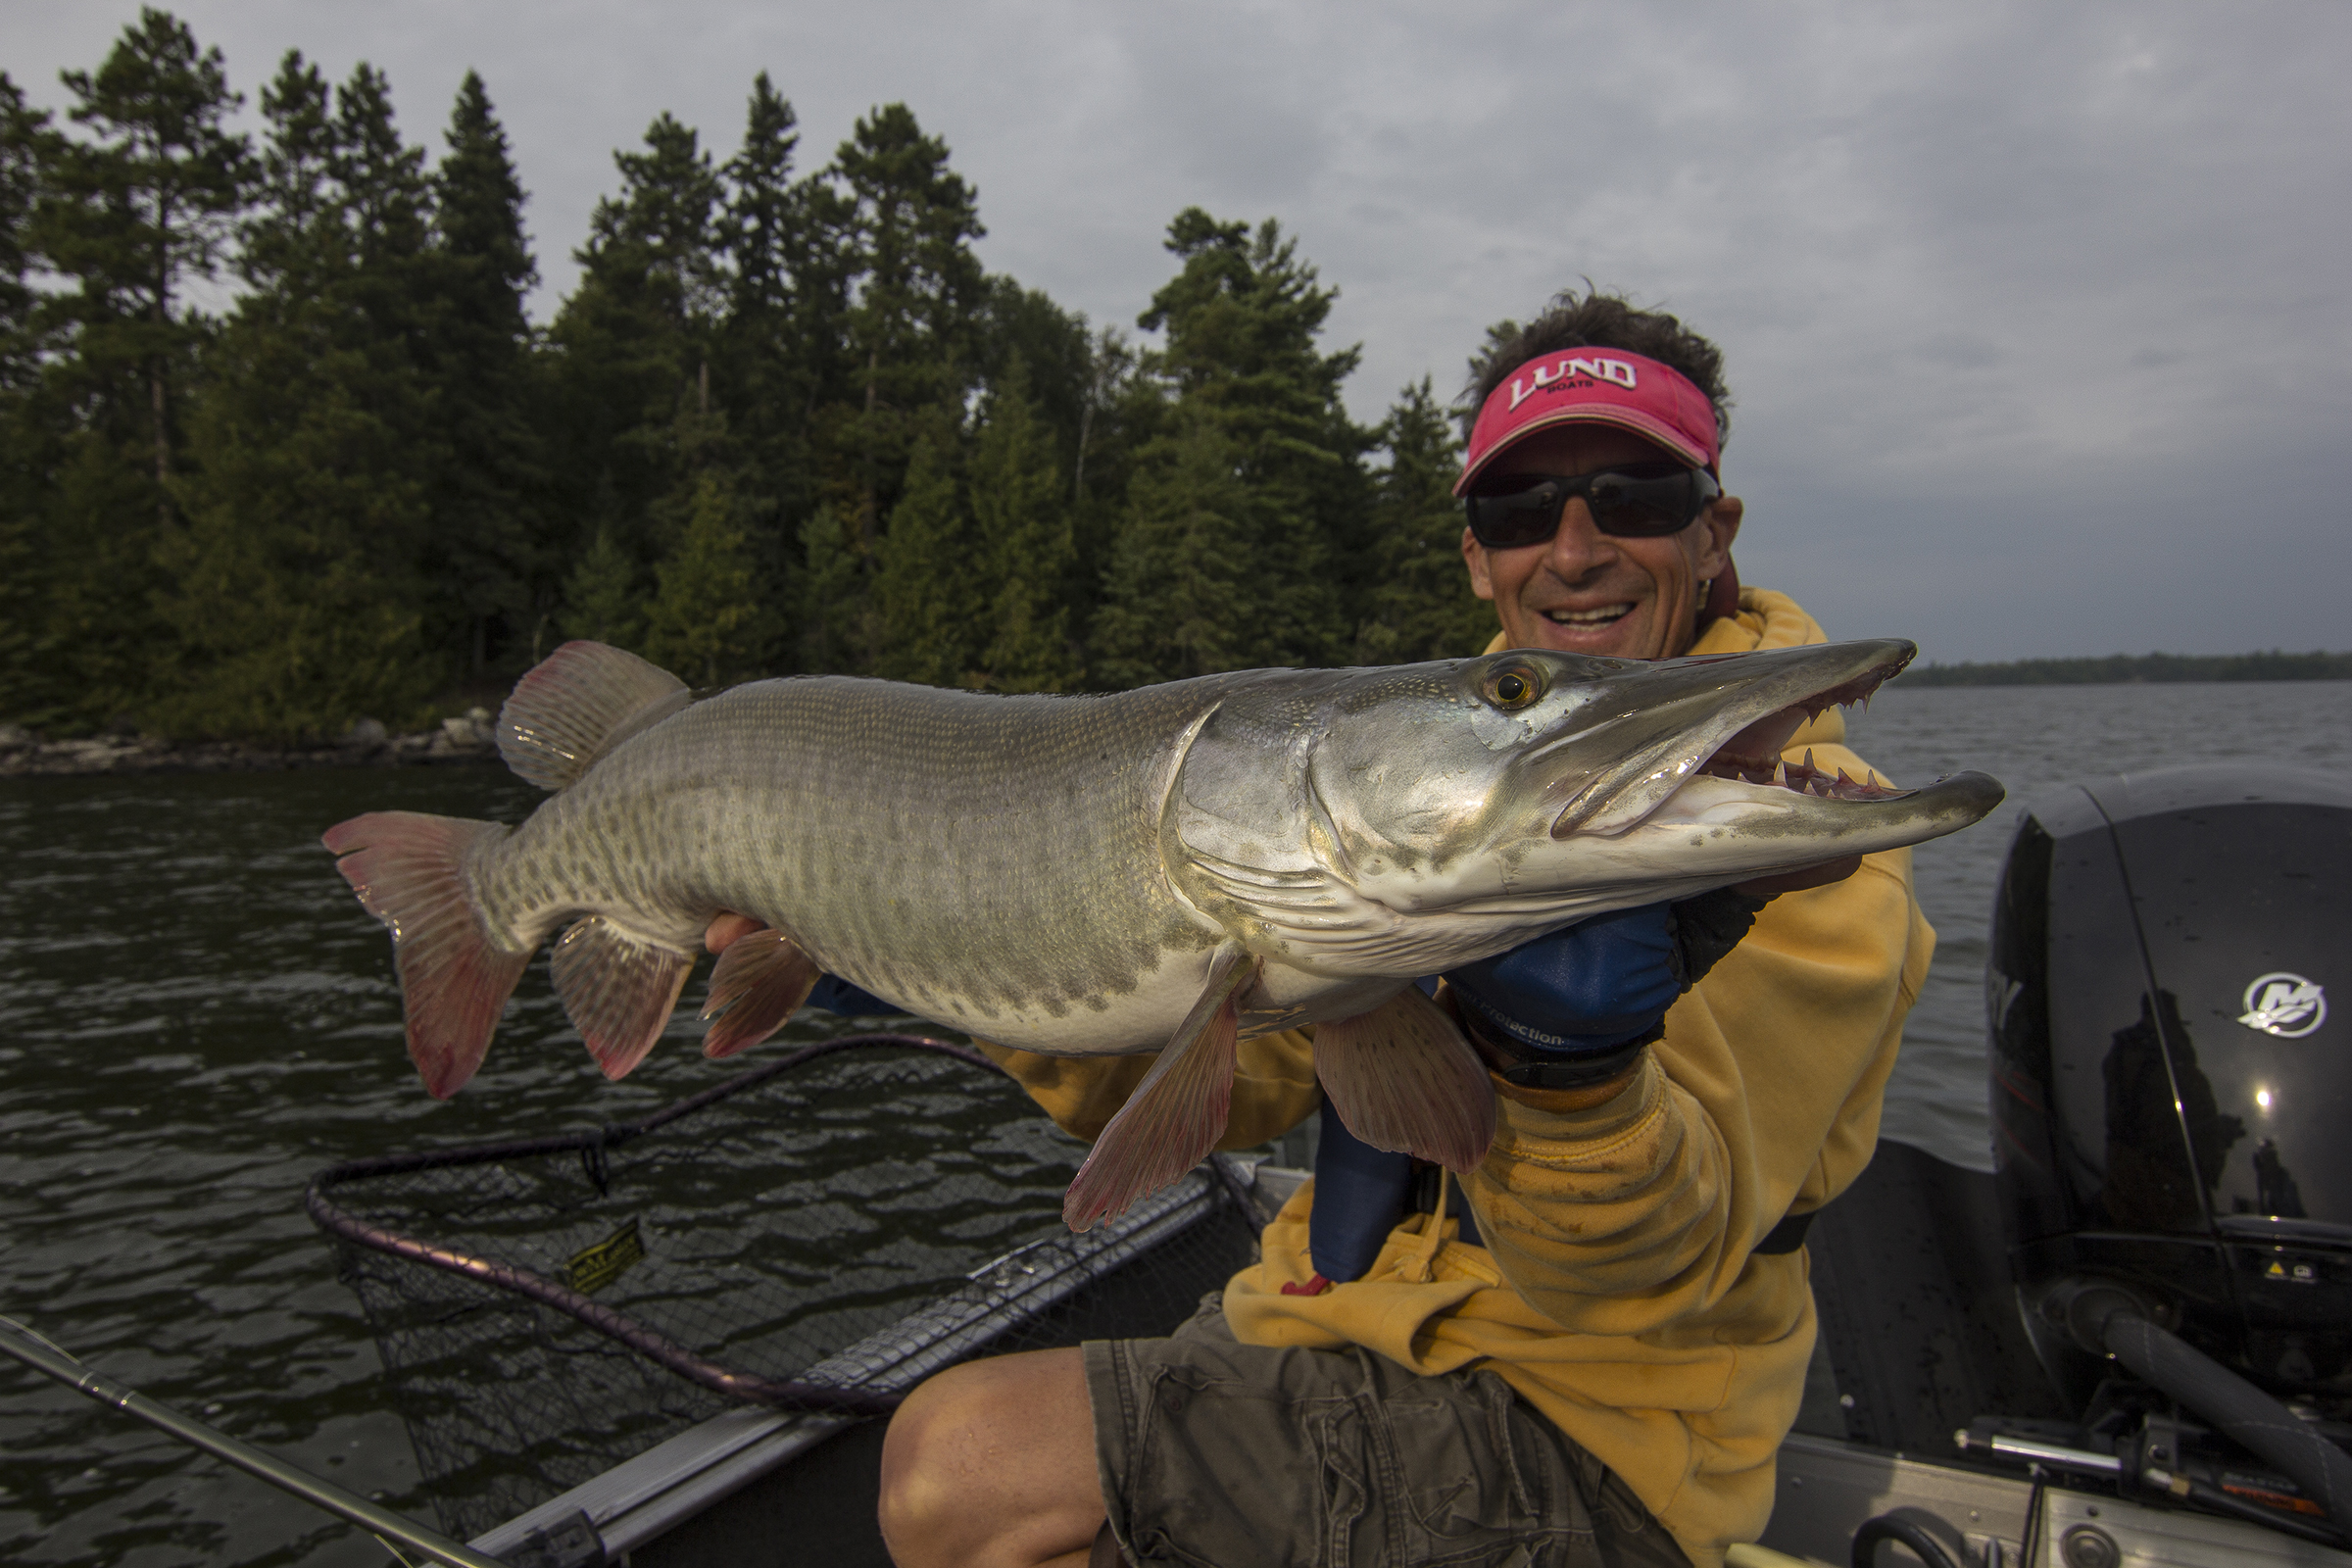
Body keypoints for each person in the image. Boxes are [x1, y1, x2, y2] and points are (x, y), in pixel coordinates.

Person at [734, 290, 1934, 1568]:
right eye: (1520, 512)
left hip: (1592, 1444)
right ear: (1478, 555)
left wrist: (1569, 1078)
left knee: (956, 1466)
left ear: (1715, 530)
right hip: (1321, 1327)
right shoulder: (1413, 801)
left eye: (1634, 495)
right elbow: (1231, 1084)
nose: (1573, 549)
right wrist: (923, 959)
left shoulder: (1811, 867)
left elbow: (1633, 1277)